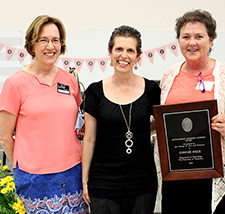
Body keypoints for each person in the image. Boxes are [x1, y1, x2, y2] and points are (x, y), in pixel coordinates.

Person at [159, 9, 225, 214]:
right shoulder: (168, 75)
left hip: (216, 173)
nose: (192, 42)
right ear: (179, 41)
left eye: (199, 36)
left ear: (211, 40)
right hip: (177, 173)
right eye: (186, 37)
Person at [0, 15, 89, 213]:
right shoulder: (15, 84)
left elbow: (78, 123)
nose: (51, 46)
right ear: (32, 45)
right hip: (35, 178)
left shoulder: (70, 80)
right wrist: (23, 166)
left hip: (73, 173)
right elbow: (4, 137)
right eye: (43, 40)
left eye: (56, 40)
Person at [82, 25, 161, 214]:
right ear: (110, 52)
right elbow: (90, 138)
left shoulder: (152, 90)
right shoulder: (95, 92)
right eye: (119, 49)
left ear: (138, 56)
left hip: (142, 183)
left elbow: (162, 124)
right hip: (103, 183)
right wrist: (84, 179)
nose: (124, 55)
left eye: (130, 50)